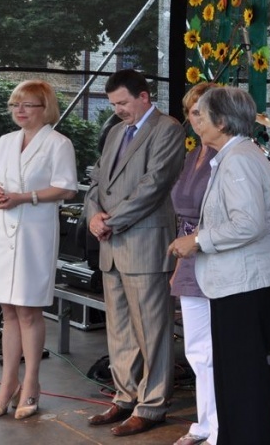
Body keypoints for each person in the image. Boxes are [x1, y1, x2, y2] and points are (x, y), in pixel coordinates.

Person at [168, 86, 270, 445]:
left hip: (246, 284)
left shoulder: (239, 159)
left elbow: (247, 223)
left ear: (221, 121)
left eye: (201, 115)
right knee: (235, 379)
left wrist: (198, 240)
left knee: (242, 380)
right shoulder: (233, 155)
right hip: (236, 283)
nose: (196, 123)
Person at [84, 69, 185, 437]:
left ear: (144, 96)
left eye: (123, 103)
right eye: (114, 104)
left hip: (143, 242)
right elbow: (96, 180)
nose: (118, 110)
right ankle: (125, 397)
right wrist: (93, 215)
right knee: (120, 330)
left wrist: (113, 221)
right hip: (111, 244)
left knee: (152, 331)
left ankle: (153, 404)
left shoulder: (168, 129)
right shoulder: (113, 132)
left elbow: (155, 185)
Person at [0, 80, 78, 420]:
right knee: (7, 310)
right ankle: (8, 384)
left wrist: (25, 197)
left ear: (45, 108)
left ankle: (32, 383)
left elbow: (66, 188)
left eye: (28, 105)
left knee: (28, 311)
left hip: (35, 233)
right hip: (3, 231)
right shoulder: (6, 141)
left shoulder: (58, 143)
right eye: (15, 105)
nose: (19, 111)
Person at [169, 82, 218, 445]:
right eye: (191, 111)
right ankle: (203, 423)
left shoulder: (228, 155)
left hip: (216, 255)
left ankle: (218, 428)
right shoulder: (193, 155)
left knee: (217, 348)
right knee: (196, 348)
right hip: (189, 254)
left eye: (201, 111)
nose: (195, 118)